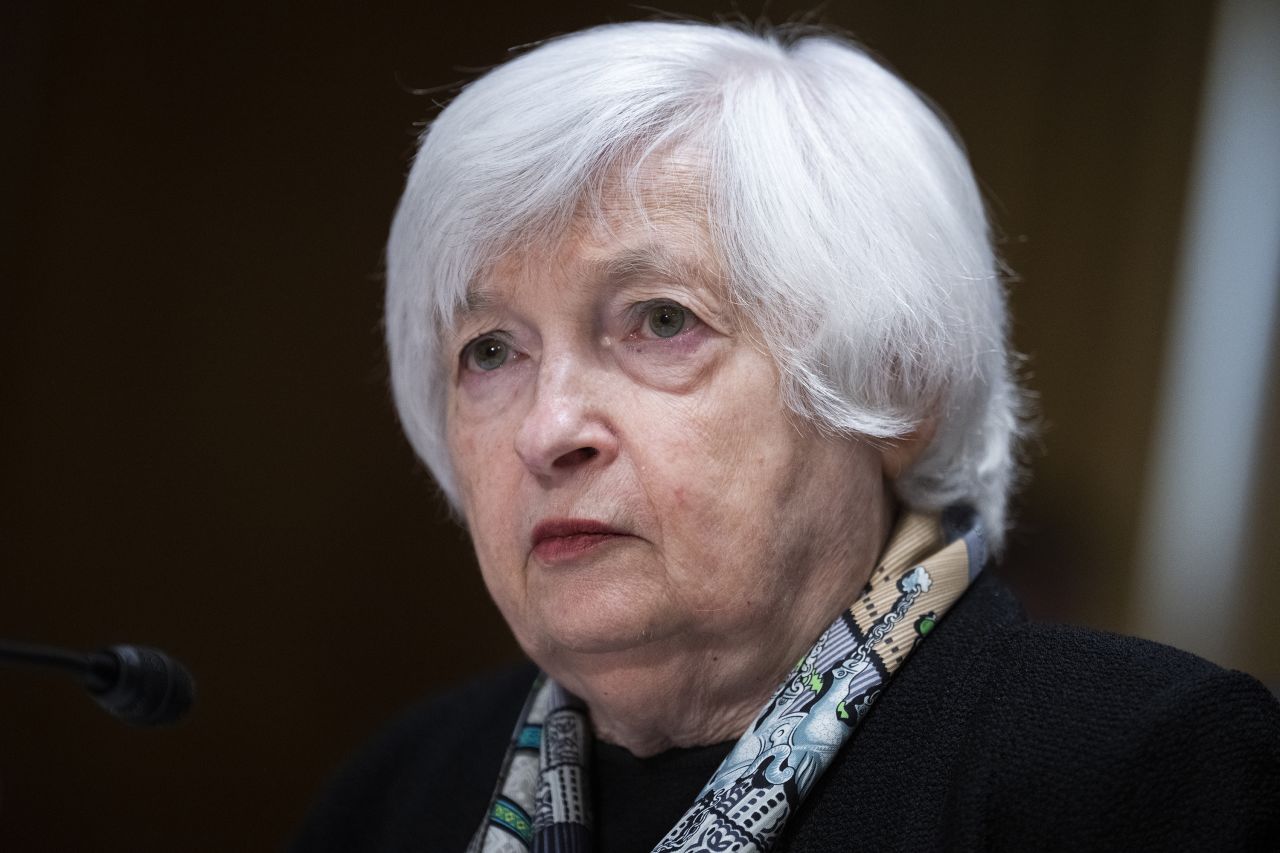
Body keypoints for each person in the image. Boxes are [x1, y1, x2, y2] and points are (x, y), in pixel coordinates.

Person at [292, 20, 1280, 853]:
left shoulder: (1128, 769)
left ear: (893, 387)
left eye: (661, 321)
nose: (547, 430)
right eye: (490, 349)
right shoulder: (393, 798)